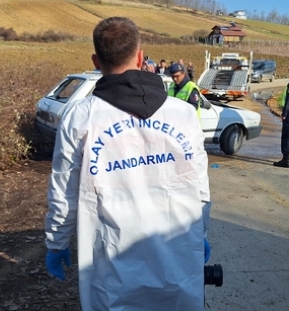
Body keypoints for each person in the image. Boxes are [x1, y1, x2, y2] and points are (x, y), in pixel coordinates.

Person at [45, 16, 212, 311]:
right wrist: (201, 231)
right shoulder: (183, 115)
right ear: (139, 56)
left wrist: (57, 242)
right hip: (177, 254)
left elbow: (64, 191)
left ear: (96, 61)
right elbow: (199, 186)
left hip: (111, 260)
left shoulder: (81, 117)